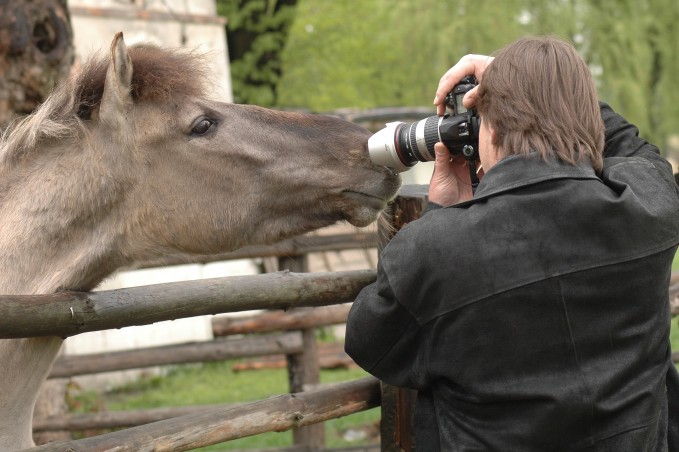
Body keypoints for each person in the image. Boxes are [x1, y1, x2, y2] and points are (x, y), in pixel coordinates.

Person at [345, 36, 679, 451]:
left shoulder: (434, 249)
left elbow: (369, 341)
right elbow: (636, 149)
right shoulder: (650, 206)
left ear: (492, 125)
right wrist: (545, 88)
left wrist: (441, 215)